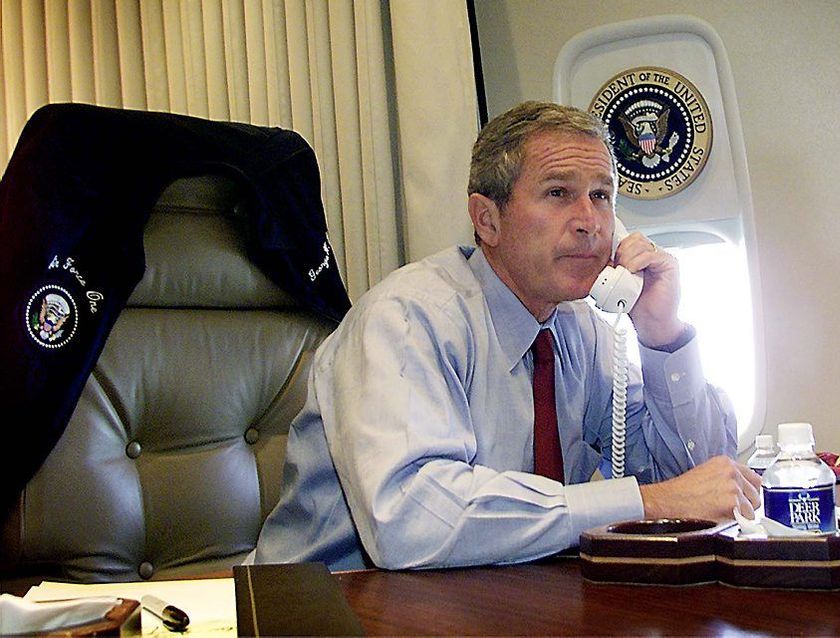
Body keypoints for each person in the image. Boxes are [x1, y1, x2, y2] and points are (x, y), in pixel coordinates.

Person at [254, 101, 761, 571]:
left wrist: (661, 335)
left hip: (486, 595)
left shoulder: (581, 326)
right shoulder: (408, 319)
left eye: (602, 196)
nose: (590, 223)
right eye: (559, 193)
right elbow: (409, 520)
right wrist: (646, 504)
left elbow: (699, 477)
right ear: (487, 220)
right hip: (327, 604)